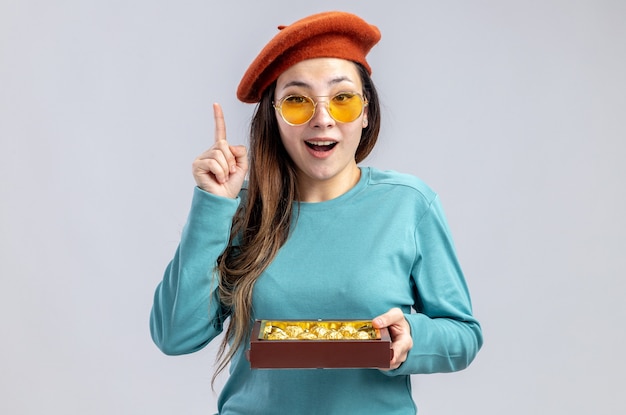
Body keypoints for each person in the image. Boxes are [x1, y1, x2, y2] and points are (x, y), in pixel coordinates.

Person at [150, 11, 482, 415]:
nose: (322, 119)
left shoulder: (409, 204)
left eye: (342, 99)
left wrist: (412, 336)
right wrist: (213, 204)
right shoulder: (240, 208)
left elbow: (463, 335)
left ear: (365, 113)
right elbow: (173, 334)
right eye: (296, 101)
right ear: (274, 115)